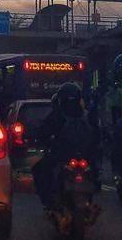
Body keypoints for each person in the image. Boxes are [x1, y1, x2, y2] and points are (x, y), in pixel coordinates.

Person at [32, 83, 101, 212]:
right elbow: (98, 136)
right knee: (95, 169)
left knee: (39, 169)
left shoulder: (57, 115)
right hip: (85, 156)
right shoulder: (88, 115)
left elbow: (43, 133)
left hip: (62, 156)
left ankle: (49, 202)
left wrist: (39, 140)